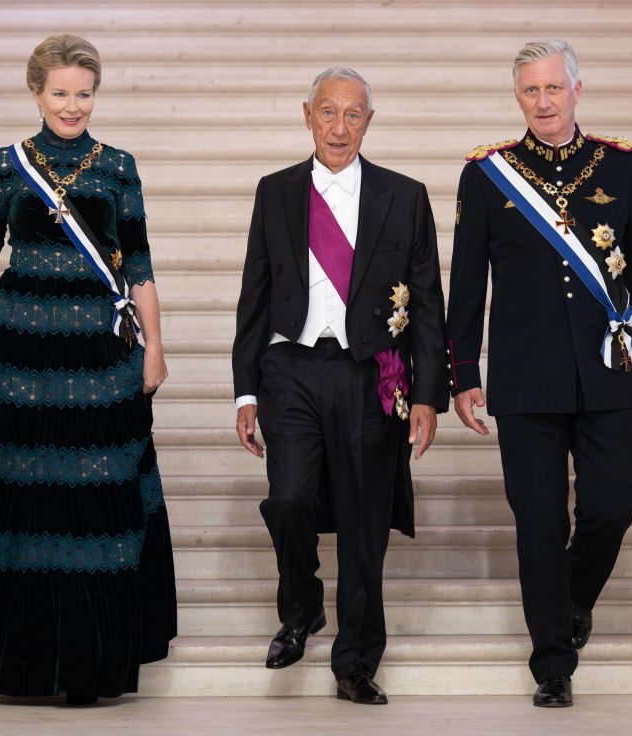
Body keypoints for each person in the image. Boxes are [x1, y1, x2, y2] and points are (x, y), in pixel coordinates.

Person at [0, 33, 176, 705]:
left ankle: (93, 667)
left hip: (98, 351)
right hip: (19, 348)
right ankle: (27, 663)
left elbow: (140, 265)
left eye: (84, 93)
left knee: (97, 494)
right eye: (62, 93)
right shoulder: (5, 165)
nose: (74, 105)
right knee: (27, 493)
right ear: (36, 93)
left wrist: (155, 344)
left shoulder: (118, 166)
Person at [445, 40, 632, 708]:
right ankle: (553, 665)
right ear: (517, 97)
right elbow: (467, 283)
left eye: (553, 88)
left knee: (615, 503)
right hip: (524, 377)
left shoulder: (621, 166)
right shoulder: (487, 175)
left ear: (576, 90)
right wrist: (462, 372)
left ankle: (571, 599)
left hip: (606, 368)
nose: (543, 102)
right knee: (539, 521)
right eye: (530, 91)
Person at [231, 67, 448, 705]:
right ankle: (301, 608)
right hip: (290, 369)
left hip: (367, 373)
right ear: (308, 116)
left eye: (354, 114)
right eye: (328, 112)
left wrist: (428, 394)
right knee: (289, 499)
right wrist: (245, 390)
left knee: (363, 522)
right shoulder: (275, 192)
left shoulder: (404, 196)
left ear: (369, 122)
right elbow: (254, 295)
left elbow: (428, 304)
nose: (339, 127)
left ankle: (355, 663)